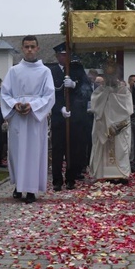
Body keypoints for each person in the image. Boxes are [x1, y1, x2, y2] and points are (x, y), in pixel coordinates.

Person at [0, 36, 55, 203]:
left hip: (35, 119)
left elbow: (49, 95)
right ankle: (18, 186)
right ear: (22, 48)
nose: (29, 50)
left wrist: (33, 105)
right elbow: (5, 94)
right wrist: (15, 104)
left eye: (32, 46)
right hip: (18, 118)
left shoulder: (45, 71)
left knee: (33, 152)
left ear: (37, 48)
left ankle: (31, 189)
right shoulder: (14, 71)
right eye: (26, 47)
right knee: (17, 152)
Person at [47, 42, 92, 191]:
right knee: (58, 149)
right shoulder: (51, 72)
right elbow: (48, 94)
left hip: (75, 116)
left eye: (67, 55)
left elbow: (87, 91)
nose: (64, 58)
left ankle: (71, 178)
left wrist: (74, 85)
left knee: (73, 149)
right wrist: (59, 108)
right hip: (59, 116)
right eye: (61, 55)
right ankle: (57, 180)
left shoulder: (77, 69)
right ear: (57, 56)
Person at [89, 61, 133, 182]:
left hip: (119, 127)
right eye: (108, 76)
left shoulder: (123, 90)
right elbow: (95, 105)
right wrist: (106, 96)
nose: (110, 79)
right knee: (102, 147)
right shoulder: (100, 90)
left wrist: (111, 98)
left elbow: (127, 109)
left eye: (112, 76)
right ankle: (102, 173)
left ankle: (120, 174)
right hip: (103, 126)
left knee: (120, 147)